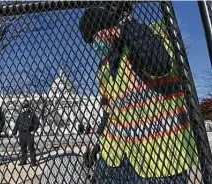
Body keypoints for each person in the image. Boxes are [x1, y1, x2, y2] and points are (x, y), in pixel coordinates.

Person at [79, 2, 199, 183]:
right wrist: (101, 145)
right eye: (91, 41)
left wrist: (127, 23)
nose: (96, 43)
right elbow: (110, 113)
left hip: (162, 158)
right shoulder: (104, 68)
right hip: (117, 159)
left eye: (97, 34)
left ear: (110, 26)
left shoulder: (154, 34)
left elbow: (160, 63)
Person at [12, 101, 40, 166]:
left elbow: (37, 123)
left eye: (26, 107)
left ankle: (33, 161)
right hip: (21, 133)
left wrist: (34, 130)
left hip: (29, 133)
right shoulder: (20, 115)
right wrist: (14, 133)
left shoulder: (32, 114)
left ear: (28, 107)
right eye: (24, 107)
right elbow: (16, 124)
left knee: (31, 147)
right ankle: (23, 160)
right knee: (23, 147)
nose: (25, 109)